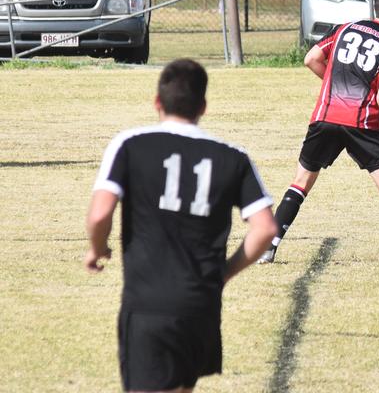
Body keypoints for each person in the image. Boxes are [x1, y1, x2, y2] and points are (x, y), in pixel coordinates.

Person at [84, 59, 277, 393]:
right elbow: (265, 228)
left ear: (157, 102)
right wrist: (225, 273)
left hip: (148, 305)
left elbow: (100, 214)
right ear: (203, 106)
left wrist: (97, 249)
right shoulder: (233, 157)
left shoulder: (130, 144)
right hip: (200, 306)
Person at [259, 0, 379, 265]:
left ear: (375, 8)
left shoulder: (344, 28)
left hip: (325, 116)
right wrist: (365, 107)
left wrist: (334, 85)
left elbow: (311, 59)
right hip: (363, 121)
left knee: (301, 183)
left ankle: (269, 247)